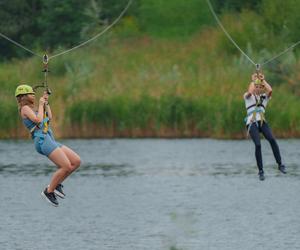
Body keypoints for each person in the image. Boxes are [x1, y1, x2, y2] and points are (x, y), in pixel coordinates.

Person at [15, 84, 81, 206]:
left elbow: (48, 117)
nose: (33, 96)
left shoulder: (34, 108)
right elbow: (38, 120)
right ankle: (49, 191)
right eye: (31, 94)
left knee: (76, 161)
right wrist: (40, 105)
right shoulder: (24, 109)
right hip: (42, 140)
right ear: (23, 96)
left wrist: (46, 103)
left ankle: (56, 185)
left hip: (49, 138)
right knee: (66, 166)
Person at [244, 72, 286, 181]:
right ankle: (261, 171)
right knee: (258, 145)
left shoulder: (264, 97)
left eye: (259, 87)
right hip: (252, 122)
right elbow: (250, 91)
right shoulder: (247, 97)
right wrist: (253, 80)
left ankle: (280, 164)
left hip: (262, 122)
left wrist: (263, 80)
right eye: (256, 86)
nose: (257, 88)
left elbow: (270, 90)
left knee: (272, 139)